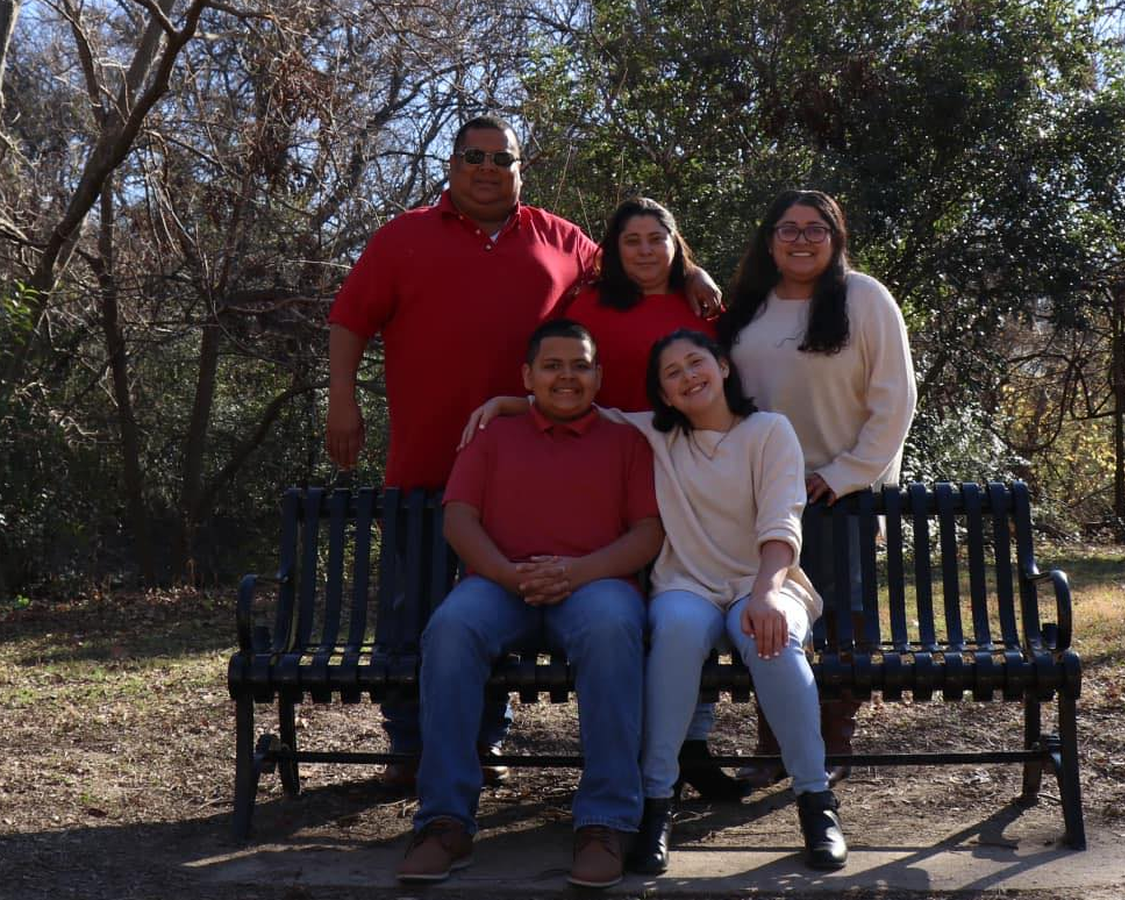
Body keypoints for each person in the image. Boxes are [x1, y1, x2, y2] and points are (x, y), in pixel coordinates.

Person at [324, 116, 721, 789]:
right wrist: (342, 399)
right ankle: (410, 744)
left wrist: (696, 273)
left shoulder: (561, 239)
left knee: (501, 606)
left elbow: (641, 261)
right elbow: (350, 318)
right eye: (473, 156)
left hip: (526, 471)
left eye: (500, 158)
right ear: (452, 164)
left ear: (520, 168)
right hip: (425, 462)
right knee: (414, 611)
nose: (487, 168)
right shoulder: (402, 237)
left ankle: (486, 740)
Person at [463, 330, 848, 873]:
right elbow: (582, 407)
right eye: (672, 373)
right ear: (664, 395)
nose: (688, 377)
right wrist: (512, 403)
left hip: (762, 581)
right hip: (687, 586)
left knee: (774, 640)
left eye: (697, 363)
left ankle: (815, 801)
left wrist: (765, 594)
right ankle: (657, 803)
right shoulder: (656, 435)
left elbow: (782, 521)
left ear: (722, 367)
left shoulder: (769, 431)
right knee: (673, 635)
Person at [396, 320, 663, 889]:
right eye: (552, 365)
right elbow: (459, 519)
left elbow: (646, 533)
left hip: (595, 585)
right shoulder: (491, 437)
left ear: (598, 375)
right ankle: (445, 821)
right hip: (499, 584)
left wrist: (575, 572)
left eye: (580, 366)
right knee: (450, 630)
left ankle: (606, 822)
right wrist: (509, 575)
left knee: (615, 629)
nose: (567, 377)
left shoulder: (627, 442)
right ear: (527, 376)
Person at [717, 189, 917, 788]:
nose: (801, 240)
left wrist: (845, 473)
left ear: (835, 238)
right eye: (788, 228)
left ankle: (833, 743)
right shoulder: (746, 307)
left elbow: (895, 400)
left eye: (815, 229)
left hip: (838, 492)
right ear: (769, 240)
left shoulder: (864, 298)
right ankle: (773, 745)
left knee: (842, 622)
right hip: (759, 493)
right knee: (767, 618)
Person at [566, 197, 743, 802]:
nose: (644, 250)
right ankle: (625, 753)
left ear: (675, 243)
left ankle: (691, 745)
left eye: (655, 238)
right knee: (628, 612)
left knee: (688, 607)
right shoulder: (589, 306)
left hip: (693, 476)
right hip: (611, 473)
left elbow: (726, 385)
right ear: (613, 250)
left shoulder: (704, 306)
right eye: (631, 240)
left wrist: (696, 277)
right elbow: (563, 375)